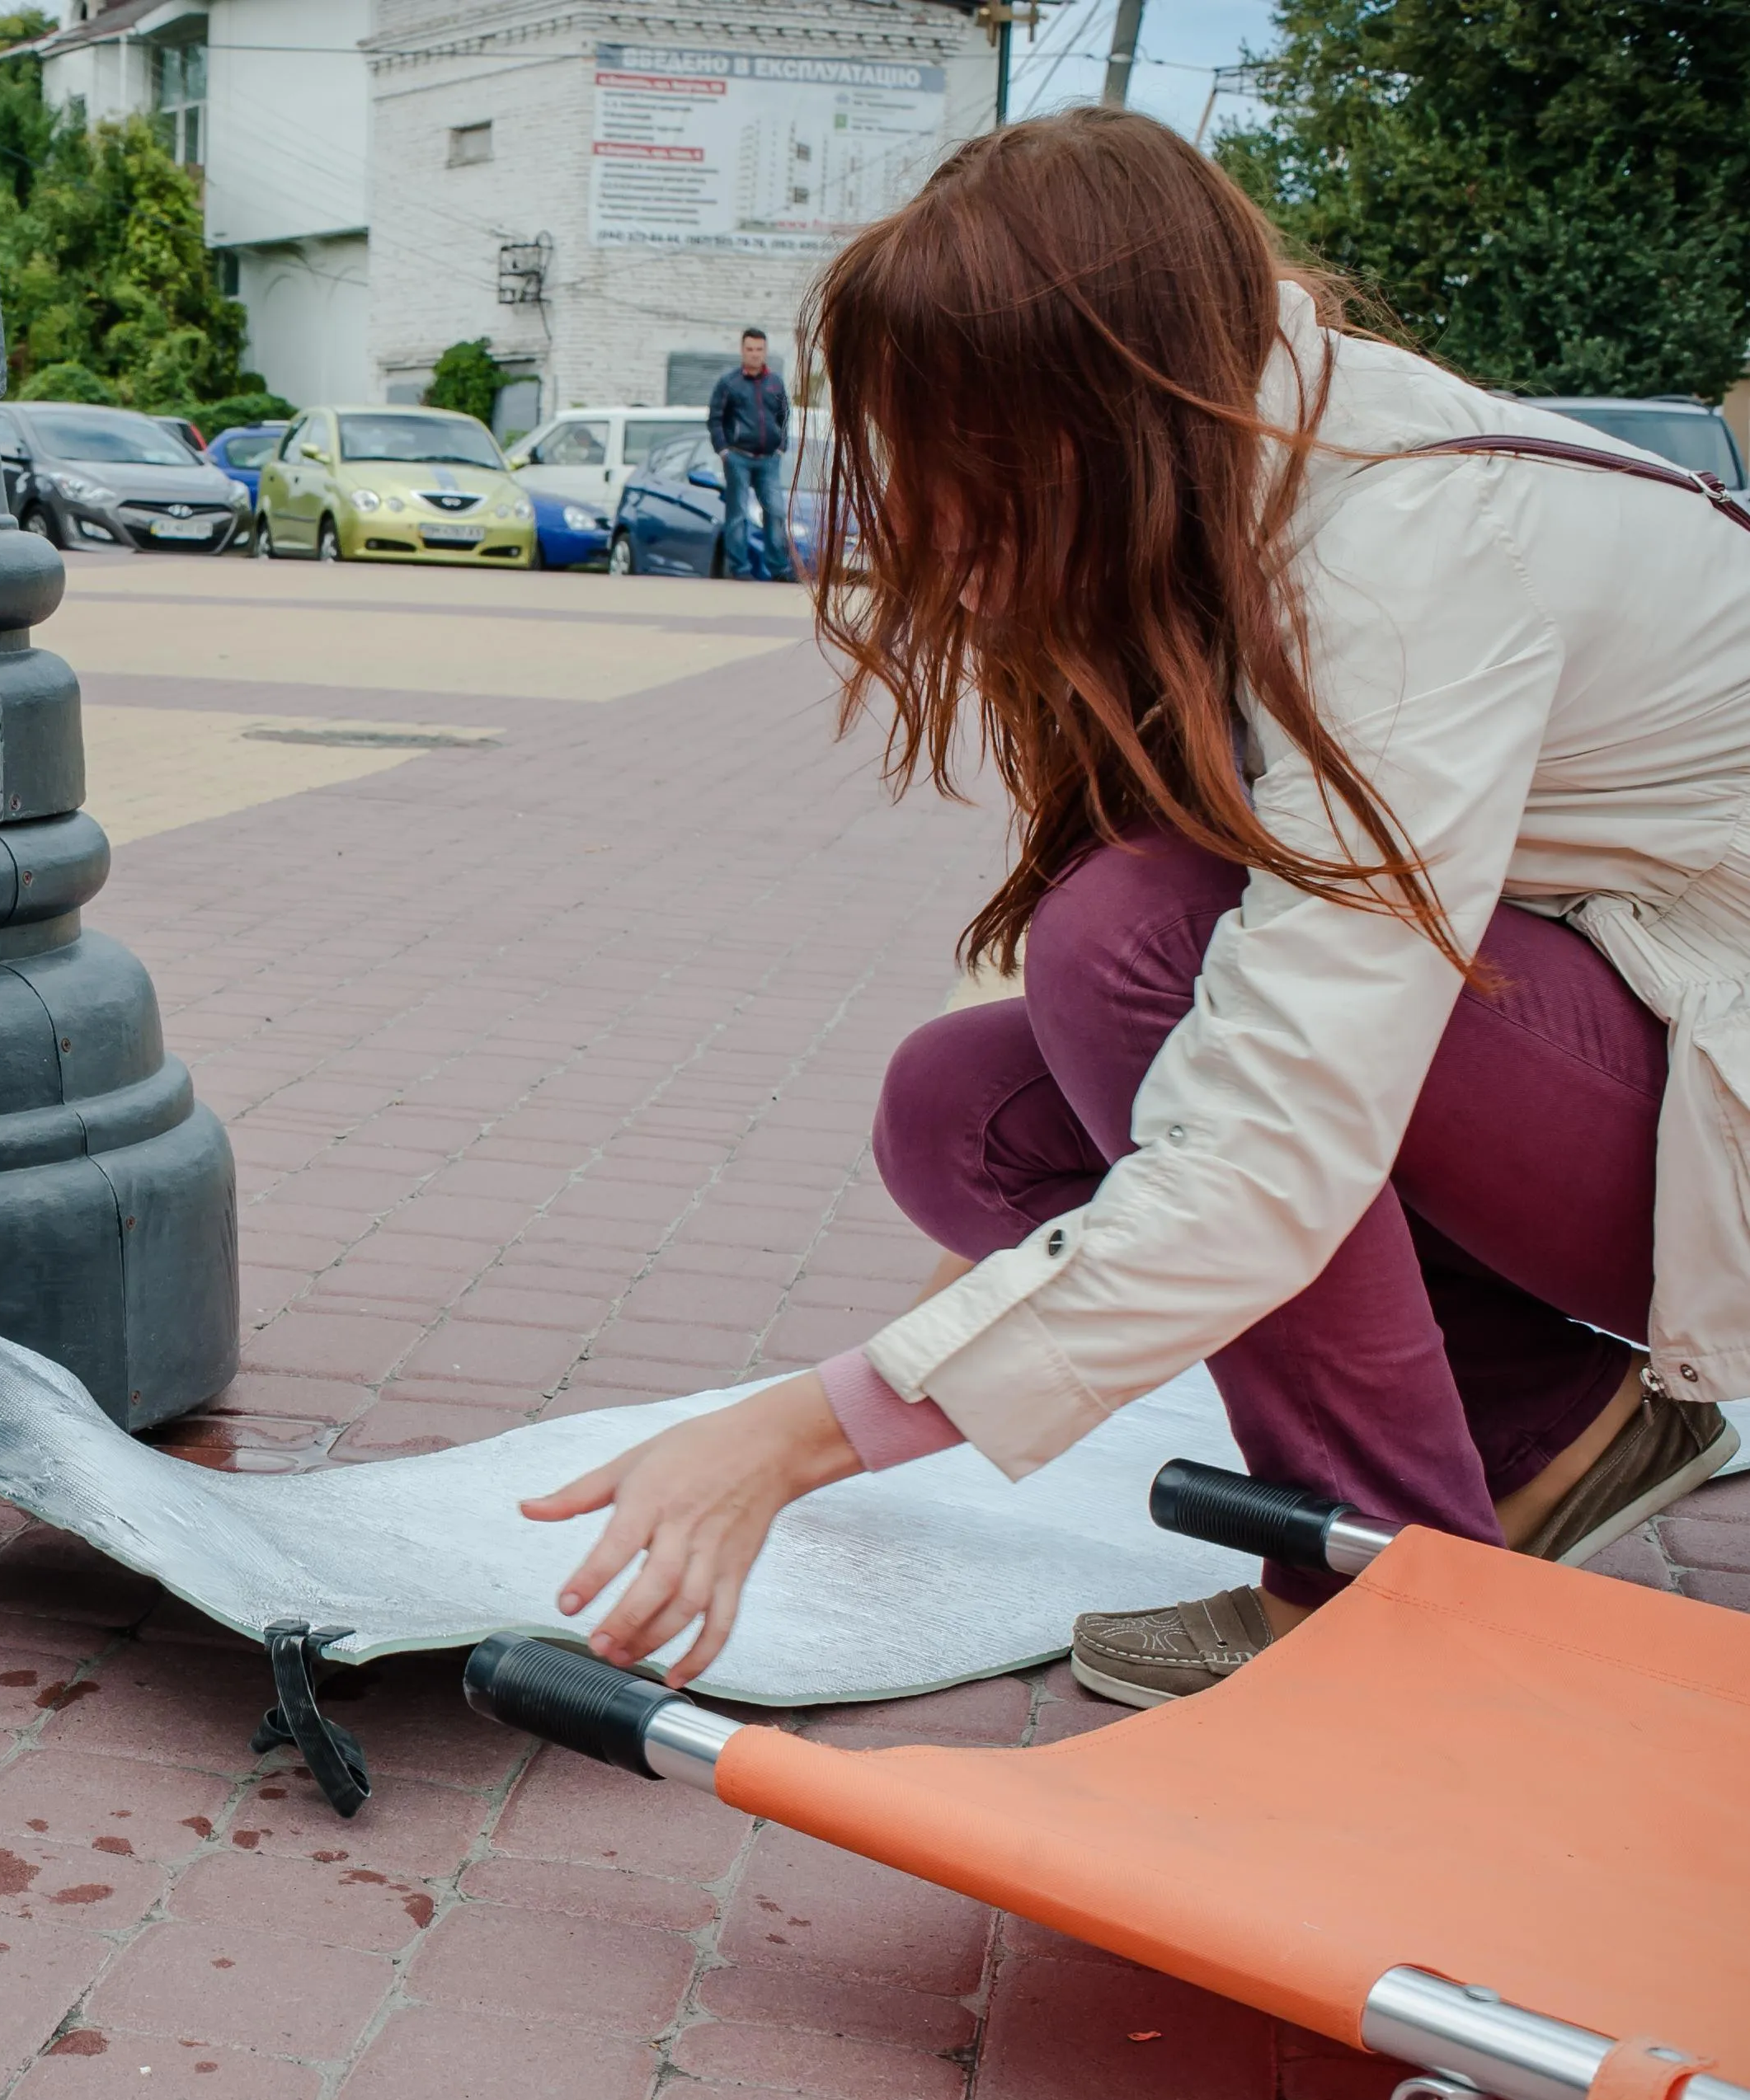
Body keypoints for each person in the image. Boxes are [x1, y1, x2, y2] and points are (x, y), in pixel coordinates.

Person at [526, 109, 1748, 1710]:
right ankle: (1555, 1427)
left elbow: (1267, 1136)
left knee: (1138, 945)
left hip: (1715, 1103)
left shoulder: (1398, 551)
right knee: (963, 1109)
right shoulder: (1234, 489)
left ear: (1100, 415)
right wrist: (937, 1355)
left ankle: (1387, 1598)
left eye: (964, 461)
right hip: (1616, 1029)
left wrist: (797, 1434)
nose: (927, 520)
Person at [707, 327, 793, 580]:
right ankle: (739, 568)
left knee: (776, 511)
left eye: (759, 349)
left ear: (765, 351)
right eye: (750, 349)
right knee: (738, 514)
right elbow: (715, 419)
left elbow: (785, 417)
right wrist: (724, 451)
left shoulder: (775, 382)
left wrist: (781, 447)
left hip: (769, 459)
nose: (755, 355)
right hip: (738, 457)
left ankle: (778, 568)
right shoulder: (729, 383)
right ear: (742, 351)